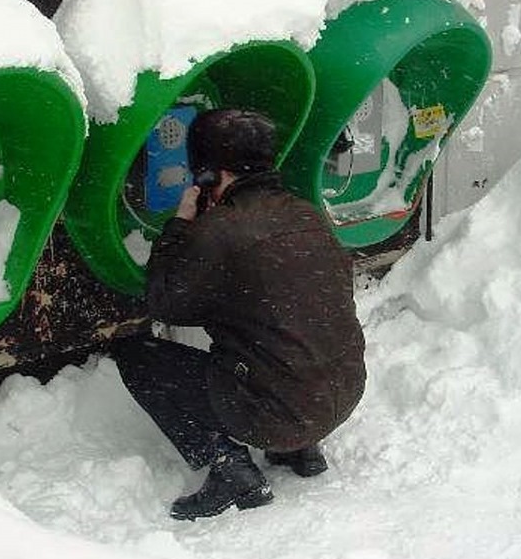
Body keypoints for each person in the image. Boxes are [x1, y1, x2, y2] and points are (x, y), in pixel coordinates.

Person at [110, 108, 365, 521]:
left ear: (209, 174)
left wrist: (180, 226)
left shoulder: (220, 230)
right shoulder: (307, 215)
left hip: (279, 413)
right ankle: (302, 450)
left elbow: (163, 302)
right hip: (340, 397)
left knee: (138, 357)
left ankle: (231, 469)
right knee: (284, 333)